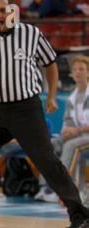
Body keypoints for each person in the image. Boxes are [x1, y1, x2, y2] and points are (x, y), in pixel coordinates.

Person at [0, 0, 89, 228]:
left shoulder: (31, 34)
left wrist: (51, 95)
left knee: (48, 162)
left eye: (4, 11)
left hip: (27, 109)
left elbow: (50, 63)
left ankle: (80, 215)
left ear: (13, 12)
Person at [35, 55, 89, 202]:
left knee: (71, 146)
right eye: (75, 69)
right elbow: (68, 122)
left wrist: (77, 131)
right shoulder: (72, 97)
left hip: (84, 137)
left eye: (81, 69)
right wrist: (66, 132)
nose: (78, 72)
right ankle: (45, 188)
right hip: (76, 135)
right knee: (50, 145)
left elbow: (78, 128)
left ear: (88, 72)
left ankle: (63, 190)